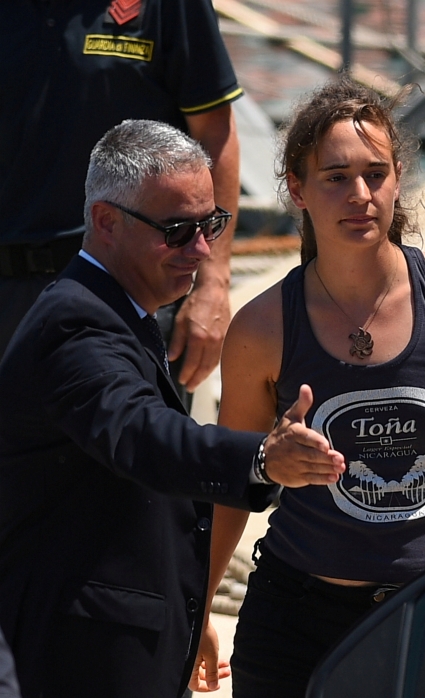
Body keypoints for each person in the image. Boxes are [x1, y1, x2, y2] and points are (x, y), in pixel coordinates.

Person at [199, 78, 425, 698]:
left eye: (376, 173)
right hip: (294, 622)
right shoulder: (260, 328)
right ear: (298, 190)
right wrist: (196, 607)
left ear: (397, 179)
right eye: (335, 177)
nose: (360, 195)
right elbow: (233, 482)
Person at [0, 120, 346, 698]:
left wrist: (186, 615)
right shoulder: (76, 327)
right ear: (106, 221)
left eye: (209, 225)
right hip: (79, 658)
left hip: (124, 638)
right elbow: (143, 435)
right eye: (178, 230)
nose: (202, 250)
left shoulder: (120, 310)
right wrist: (261, 458)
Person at [0, 0, 241, 396]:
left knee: (134, 454)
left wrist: (213, 283)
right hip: (8, 288)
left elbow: (216, 133)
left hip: (128, 289)